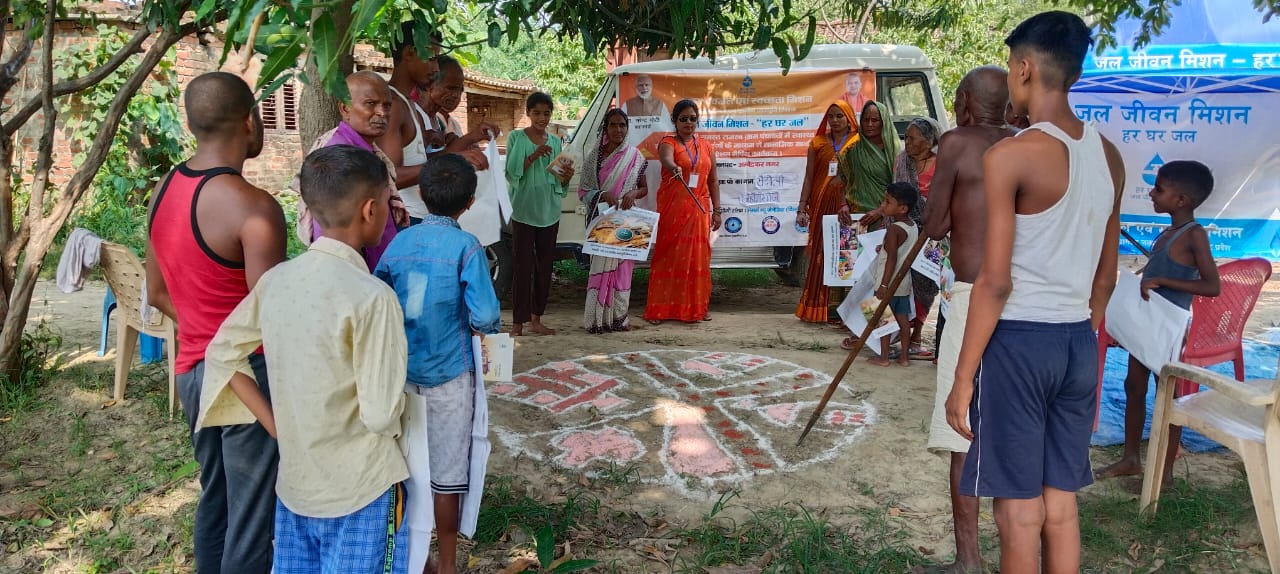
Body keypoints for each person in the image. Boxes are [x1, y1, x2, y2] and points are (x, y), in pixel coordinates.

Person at [945, 12, 1126, 572]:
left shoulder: (1011, 155)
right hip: (1076, 342)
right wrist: (1079, 331)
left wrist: (962, 377)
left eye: (1009, 67)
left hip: (1019, 344)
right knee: (1060, 506)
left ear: (1024, 69)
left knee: (1017, 514)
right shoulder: (1109, 155)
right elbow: (1106, 276)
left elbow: (995, 282)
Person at [198, 145, 410, 574]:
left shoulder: (277, 280)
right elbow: (380, 415)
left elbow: (221, 351)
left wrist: (277, 426)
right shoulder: (373, 297)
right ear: (370, 210)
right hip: (363, 489)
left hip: (297, 488)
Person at [145, 71, 283, 574]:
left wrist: (206, 335)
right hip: (247, 378)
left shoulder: (163, 190)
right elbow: (272, 320)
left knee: (217, 501)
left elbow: (156, 293)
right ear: (250, 122)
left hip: (192, 372)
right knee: (251, 518)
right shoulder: (255, 209)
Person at [375, 154, 502, 574]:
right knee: (447, 474)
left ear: (422, 195)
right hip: (450, 374)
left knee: (406, 467)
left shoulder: (399, 242)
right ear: (469, 203)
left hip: (403, 372)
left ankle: (417, 559)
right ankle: (447, 564)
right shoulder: (467, 247)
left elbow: (377, 297)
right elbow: (486, 315)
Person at [919, 65, 1017, 574]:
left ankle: (969, 559)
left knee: (962, 427)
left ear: (963, 102)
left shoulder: (957, 142)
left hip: (974, 293)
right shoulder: (1025, 141)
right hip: (1021, 299)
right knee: (1010, 425)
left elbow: (935, 225)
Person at [1095, 160, 1220, 480]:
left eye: (1159, 189)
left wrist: (1163, 281)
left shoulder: (1194, 236)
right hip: (1147, 325)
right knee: (1133, 386)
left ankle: (1164, 473)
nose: (1151, 193)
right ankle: (1130, 459)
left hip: (1167, 329)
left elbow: (1212, 286)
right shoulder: (1168, 233)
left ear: (1181, 200)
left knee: (1168, 396)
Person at [295, 71, 406, 270]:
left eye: (387, 105)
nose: (382, 113)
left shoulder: (365, 150)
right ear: (345, 108)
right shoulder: (337, 157)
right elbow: (331, 232)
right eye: (370, 103)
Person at [644, 99, 722, 324]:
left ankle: (697, 307)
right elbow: (666, 159)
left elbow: (713, 180)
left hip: (699, 209)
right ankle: (660, 310)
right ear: (675, 121)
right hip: (674, 209)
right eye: (683, 119)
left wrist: (717, 210)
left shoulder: (706, 146)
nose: (689, 123)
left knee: (697, 259)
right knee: (669, 257)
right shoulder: (668, 142)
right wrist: (673, 167)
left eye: (692, 119)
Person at [506, 92, 574, 336]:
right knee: (522, 267)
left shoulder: (555, 141)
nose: (541, 118)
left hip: (549, 211)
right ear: (528, 113)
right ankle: (517, 323)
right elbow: (512, 173)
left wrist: (566, 176)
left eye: (546, 113)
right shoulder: (516, 137)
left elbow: (558, 178)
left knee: (544, 267)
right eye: (536, 113)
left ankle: (536, 319)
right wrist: (534, 155)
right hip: (523, 210)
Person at [837, 100, 900, 350]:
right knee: (859, 279)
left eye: (876, 120)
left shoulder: (896, 151)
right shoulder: (853, 151)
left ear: (884, 122)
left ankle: (884, 334)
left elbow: (901, 189)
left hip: (886, 222)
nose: (870, 125)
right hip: (858, 222)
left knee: (880, 280)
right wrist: (843, 205)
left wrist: (881, 211)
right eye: (866, 120)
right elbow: (843, 182)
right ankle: (862, 331)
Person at [579, 109, 648, 333]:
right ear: (606, 129)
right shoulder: (594, 158)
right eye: (613, 125)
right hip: (602, 221)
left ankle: (619, 318)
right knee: (600, 267)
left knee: (623, 270)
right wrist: (602, 194)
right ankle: (597, 320)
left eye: (622, 125)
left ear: (627, 128)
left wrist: (632, 194)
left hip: (626, 220)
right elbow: (583, 191)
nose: (618, 129)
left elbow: (644, 188)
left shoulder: (635, 156)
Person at [794, 101, 860, 324]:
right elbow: (809, 177)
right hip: (821, 206)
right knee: (821, 254)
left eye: (840, 116)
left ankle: (844, 311)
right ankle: (818, 308)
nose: (835, 120)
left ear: (849, 118)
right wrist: (802, 207)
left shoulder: (858, 143)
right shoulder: (817, 143)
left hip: (848, 207)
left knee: (846, 253)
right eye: (831, 116)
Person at [380, 20, 440, 224]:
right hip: (404, 219)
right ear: (409, 53)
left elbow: (414, 161)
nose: (436, 68)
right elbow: (390, 177)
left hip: (417, 216)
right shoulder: (393, 105)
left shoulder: (408, 103)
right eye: (431, 58)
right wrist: (448, 162)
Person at [894, 116, 942, 359]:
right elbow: (894, 193)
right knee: (898, 281)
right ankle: (892, 333)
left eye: (913, 139)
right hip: (905, 229)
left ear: (929, 140)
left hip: (934, 232)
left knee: (926, 283)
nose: (907, 143)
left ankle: (916, 336)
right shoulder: (902, 160)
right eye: (906, 138)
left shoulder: (942, 163)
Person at [868, 182, 919, 367]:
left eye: (888, 202)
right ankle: (904, 357)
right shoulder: (912, 226)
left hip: (887, 282)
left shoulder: (893, 229)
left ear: (902, 208)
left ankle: (883, 357)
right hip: (902, 283)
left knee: (883, 320)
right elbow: (899, 250)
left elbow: (891, 259)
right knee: (903, 320)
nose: (883, 205)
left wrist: (883, 285)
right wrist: (883, 247)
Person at [420, 55, 500, 171]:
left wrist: (469, 141)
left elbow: (435, 159)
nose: (456, 95)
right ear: (430, 85)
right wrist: (468, 141)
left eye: (460, 90)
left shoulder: (436, 122)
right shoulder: (415, 117)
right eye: (450, 88)